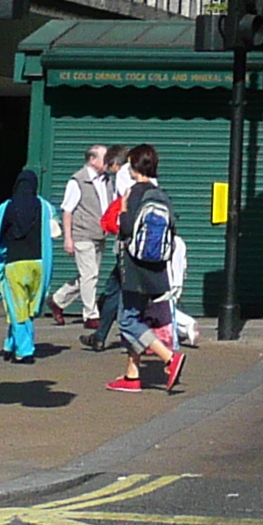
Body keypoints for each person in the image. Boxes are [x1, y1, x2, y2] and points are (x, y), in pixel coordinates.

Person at [108, 145, 187, 392]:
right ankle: (132, 375)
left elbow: (127, 229)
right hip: (155, 267)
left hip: (134, 266)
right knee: (137, 316)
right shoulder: (160, 194)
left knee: (127, 320)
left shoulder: (134, 193)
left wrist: (122, 212)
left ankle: (169, 357)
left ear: (134, 165)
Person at [0, 167, 56, 362]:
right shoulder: (45, 207)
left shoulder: (7, 207)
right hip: (39, 265)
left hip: (15, 264)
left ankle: (25, 350)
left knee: (17, 307)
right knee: (27, 308)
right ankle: (10, 344)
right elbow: (55, 233)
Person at [56, 144, 113, 339]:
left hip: (101, 234)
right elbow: (67, 211)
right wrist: (68, 238)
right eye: (104, 159)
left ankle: (58, 299)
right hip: (82, 235)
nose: (107, 163)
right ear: (92, 160)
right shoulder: (78, 181)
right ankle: (90, 315)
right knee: (90, 275)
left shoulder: (107, 181)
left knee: (89, 275)